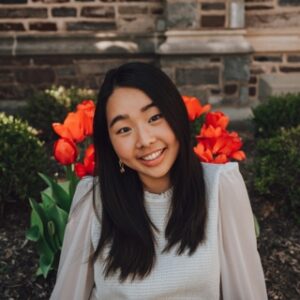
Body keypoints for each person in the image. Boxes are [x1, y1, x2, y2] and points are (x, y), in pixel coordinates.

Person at [50, 62, 268, 300]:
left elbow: (246, 293)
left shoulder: (219, 188)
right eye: (124, 129)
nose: (144, 140)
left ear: (175, 114)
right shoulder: (94, 201)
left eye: (154, 117)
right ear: (110, 143)